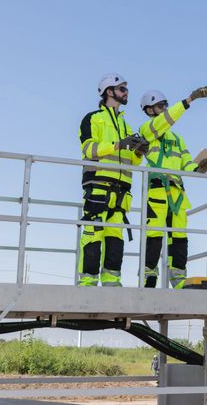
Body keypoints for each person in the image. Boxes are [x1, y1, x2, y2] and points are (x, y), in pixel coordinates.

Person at [138, 84, 207, 289]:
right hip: (157, 191)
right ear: (149, 110)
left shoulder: (177, 139)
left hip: (177, 192)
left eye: (165, 105)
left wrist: (199, 167)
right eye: (160, 106)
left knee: (179, 237)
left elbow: (186, 164)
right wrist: (189, 100)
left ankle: (178, 280)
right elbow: (167, 120)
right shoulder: (146, 131)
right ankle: (148, 278)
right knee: (153, 235)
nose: (164, 109)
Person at [77, 73, 147, 287]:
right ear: (109, 91)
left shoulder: (126, 126)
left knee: (115, 239)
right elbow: (89, 150)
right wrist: (118, 144)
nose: (127, 93)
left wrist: (139, 152)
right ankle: (87, 284)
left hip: (122, 191)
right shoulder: (92, 118)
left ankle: (111, 283)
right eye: (122, 89)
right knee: (93, 234)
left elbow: (133, 163)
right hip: (98, 185)